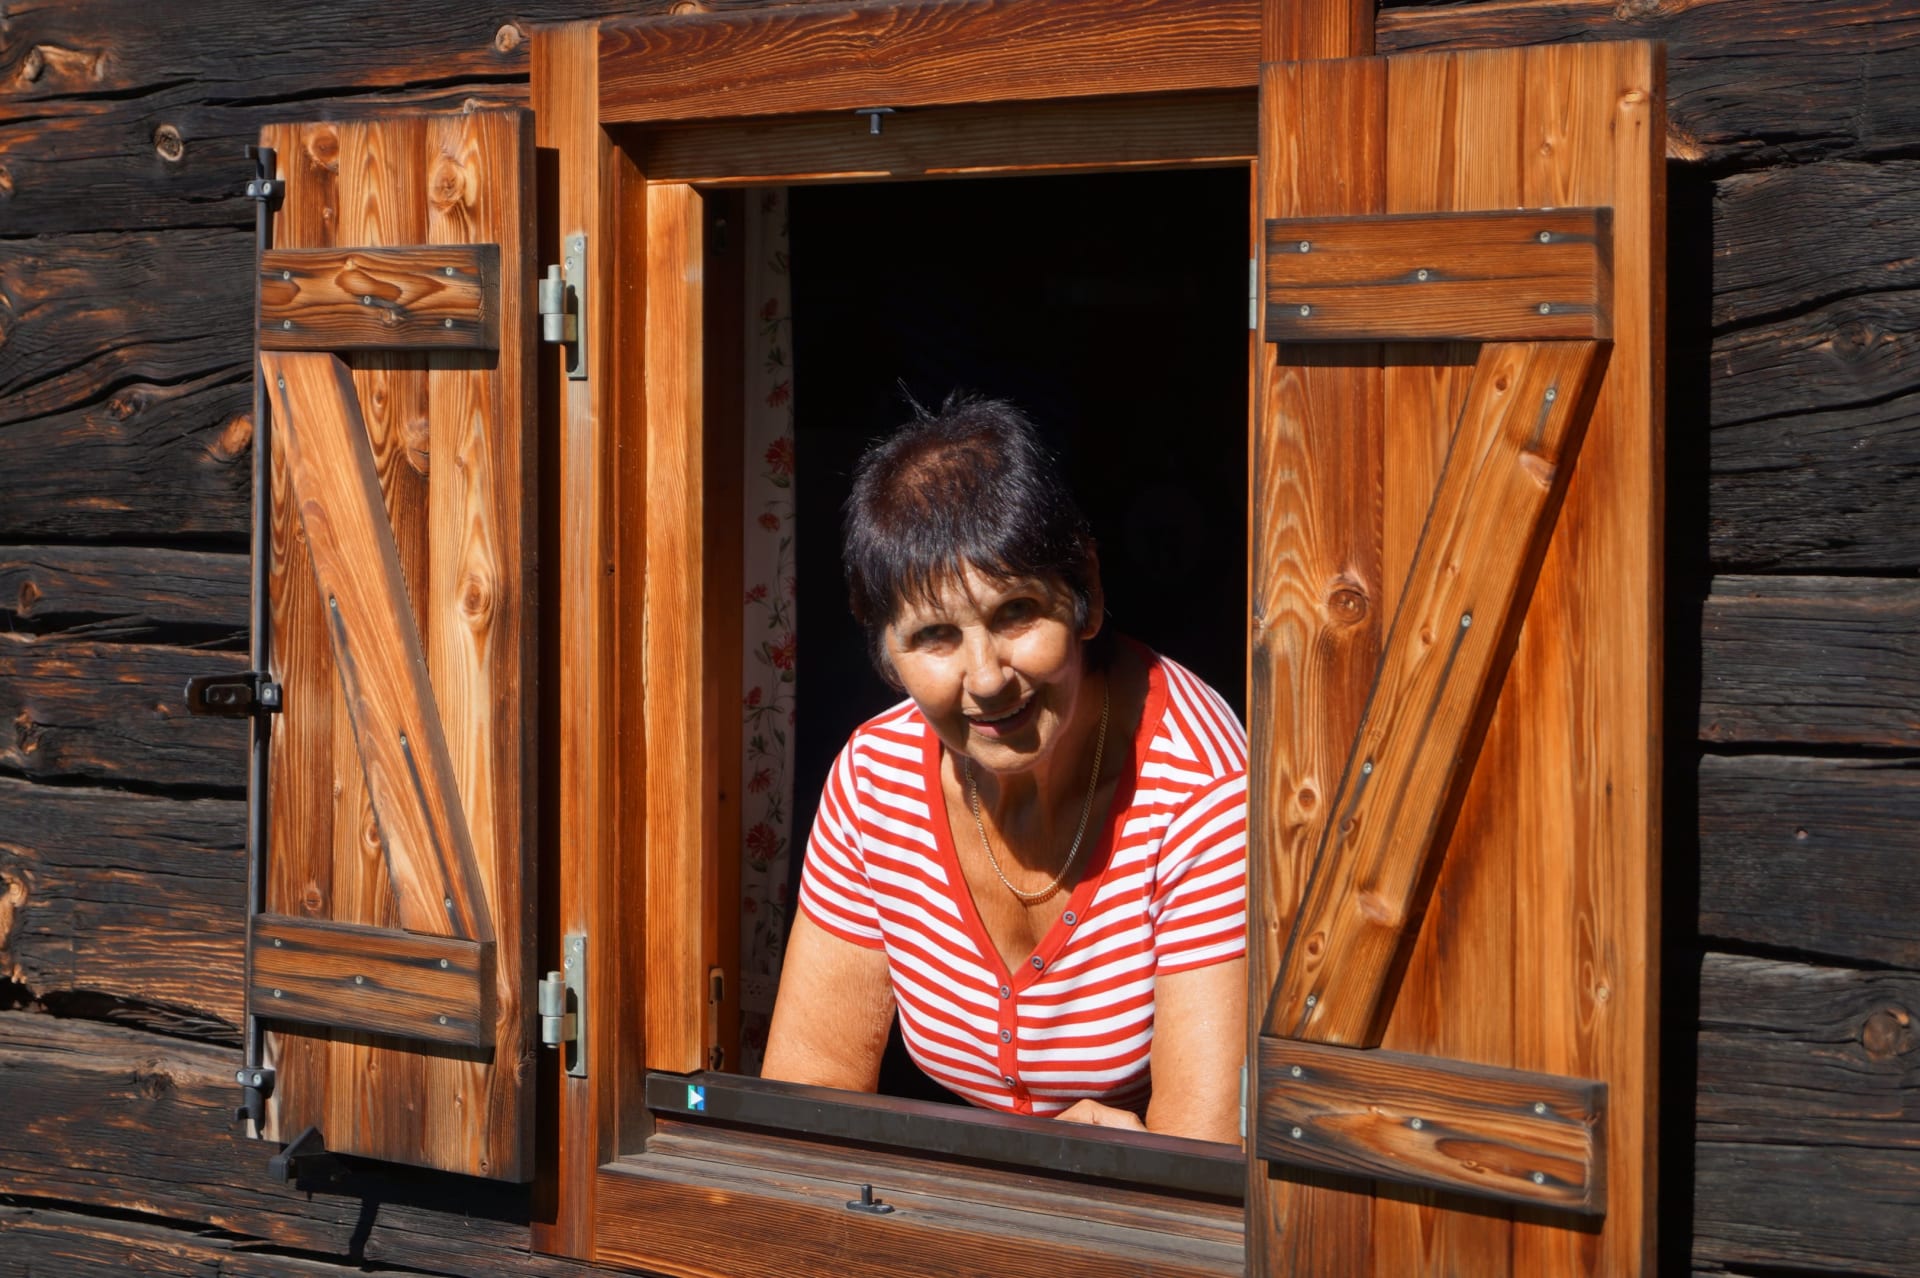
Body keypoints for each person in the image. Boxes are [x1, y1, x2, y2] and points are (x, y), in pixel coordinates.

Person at [761, 395, 1247, 1143]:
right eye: (935, 635)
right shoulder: (873, 782)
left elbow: (1201, 1154)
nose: (987, 679)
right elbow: (806, 1101)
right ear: (886, 653)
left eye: (1017, 612)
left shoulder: (1201, 791)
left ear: (1086, 597)